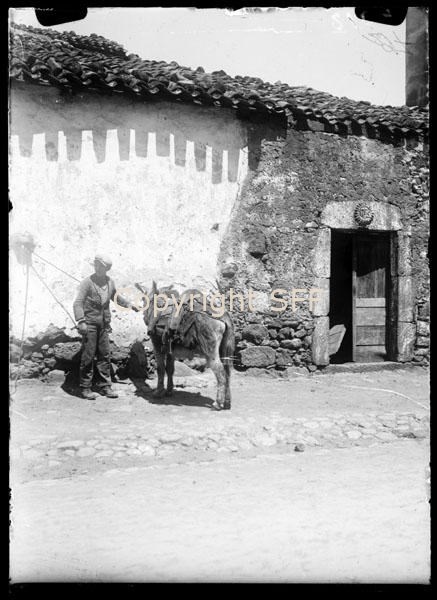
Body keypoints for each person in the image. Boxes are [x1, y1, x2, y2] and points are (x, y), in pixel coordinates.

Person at [73, 254, 138, 400]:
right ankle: (85, 387)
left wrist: (129, 305)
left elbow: (116, 298)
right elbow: (78, 303)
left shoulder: (110, 282)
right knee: (88, 356)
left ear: (106, 268)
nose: (97, 268)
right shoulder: (87, 283)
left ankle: (105, 386)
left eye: (101, 266)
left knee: (105, 354)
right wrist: (81, 321)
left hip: (103, 324)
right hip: (89, 323)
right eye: (96, 265)